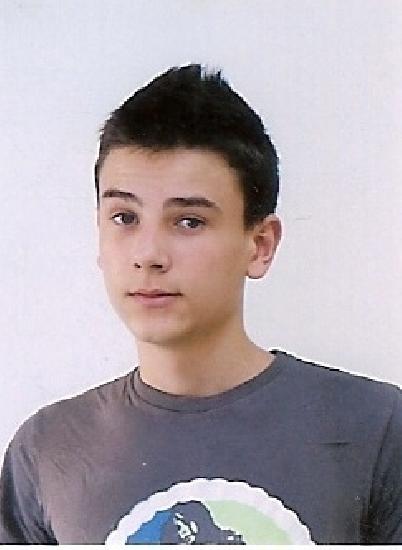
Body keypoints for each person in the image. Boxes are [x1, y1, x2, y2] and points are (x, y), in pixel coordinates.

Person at [0, 64, 401, 545]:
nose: (148, 254)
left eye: (189, 221)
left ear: (260, 245)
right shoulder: (47, 450)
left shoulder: (375, 428)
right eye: (124, 217)